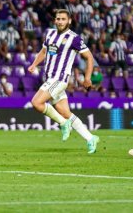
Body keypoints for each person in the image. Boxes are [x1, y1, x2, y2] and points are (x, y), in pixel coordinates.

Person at [27, 9, 100, 154]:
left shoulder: (74, 38)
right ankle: (91, 138)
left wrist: (87, 77)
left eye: (63, 19)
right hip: (50, 78)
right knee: (66, 112)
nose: (60, 21)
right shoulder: (50, 33)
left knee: (36, 103)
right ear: (55, 20)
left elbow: (89, 57)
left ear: (69, 21)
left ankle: (63, 123)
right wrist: (34, 64)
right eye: (58, 19)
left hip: (60, 78)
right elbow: (43, 51)